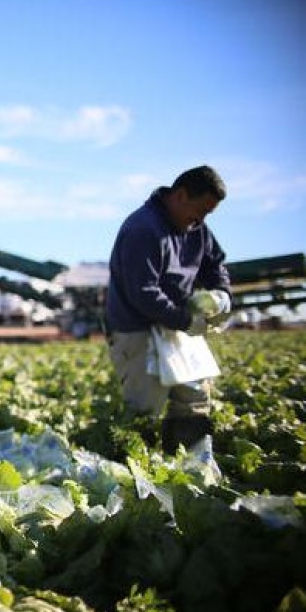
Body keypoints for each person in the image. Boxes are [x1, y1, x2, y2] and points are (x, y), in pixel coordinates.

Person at [104, 165, 233, 454]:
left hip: (178, 326)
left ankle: (187, 475)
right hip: (138, 328)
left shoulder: (196, 228)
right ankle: (134, 480)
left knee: (194, 400)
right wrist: (186, 320)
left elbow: (215, 264)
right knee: (144, 408)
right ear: (180, 195)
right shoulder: (143, 229)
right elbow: (143, 292)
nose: (199, 220)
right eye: (199, 210)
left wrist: (222, 294)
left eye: (207, 215)